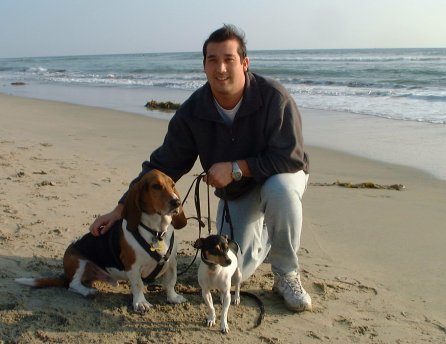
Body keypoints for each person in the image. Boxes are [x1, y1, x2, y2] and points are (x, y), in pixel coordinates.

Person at [90, 24, 312, 312]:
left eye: (229, 59)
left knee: (280, 191)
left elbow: (290, 157)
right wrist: (119, 209)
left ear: (244, 63)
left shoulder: (274, 97)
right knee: (231, 269)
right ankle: (269, 236)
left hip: (277, 178)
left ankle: (286, 274)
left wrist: (236, 168)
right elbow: (162, 165)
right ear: (204, 66)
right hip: (237, 193)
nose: (221, 68)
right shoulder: (193, 111)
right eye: (212, 60)